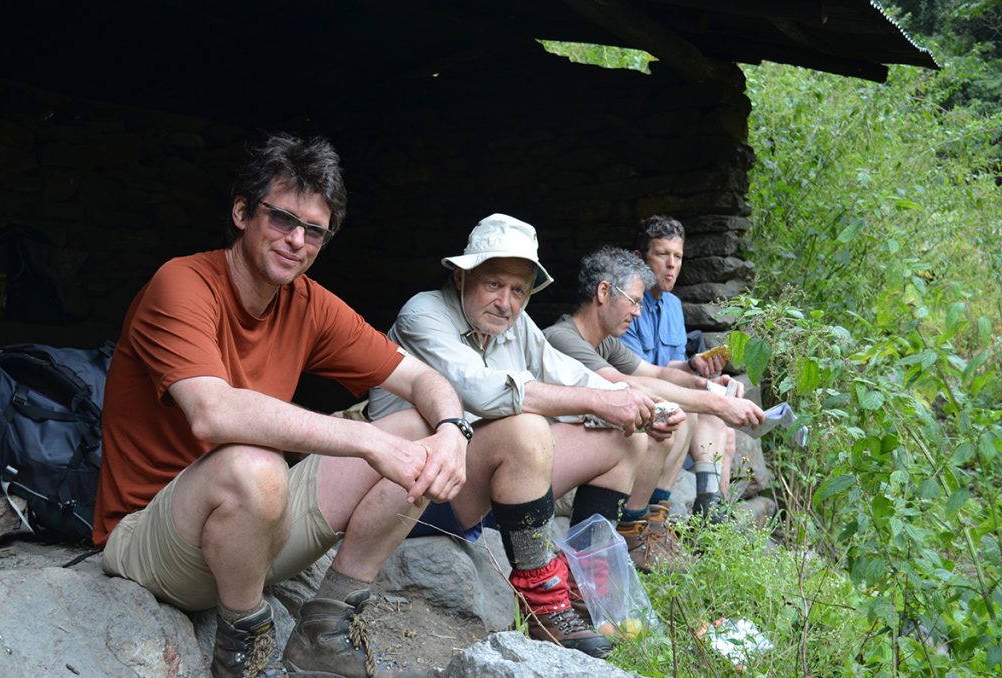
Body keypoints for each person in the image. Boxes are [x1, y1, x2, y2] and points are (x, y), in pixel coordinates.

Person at [93, 133, 470, 678]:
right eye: (282, 219)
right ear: (242, 212)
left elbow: (421, 378)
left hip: (247, 534)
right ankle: (245, 645)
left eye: (314, 230)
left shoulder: (308, 303)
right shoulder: (181, 284)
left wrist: (454, 431)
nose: (296, 240)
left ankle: (328, 622)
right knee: (255, 465)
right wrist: (367, 439)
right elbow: (213, 413)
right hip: (151, 537)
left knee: (416, 428)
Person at [367, 214, 684, 658]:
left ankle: (585, 588)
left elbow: (568, 372)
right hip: (410, 490)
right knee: (524, 427)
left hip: (478, 482)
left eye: (518, 290)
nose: (506, 302)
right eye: (493, 283)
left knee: (624, 438)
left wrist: (636, 405)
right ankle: (544, 602)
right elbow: (485, 392)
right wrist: (598, 403)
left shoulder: (516, 324)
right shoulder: (423, 313)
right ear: (461, 275)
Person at [545, 246, 765, 566]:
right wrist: (716, 405)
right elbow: (627, 385)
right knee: (656, 420)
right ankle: (630, 530)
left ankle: (649, 526)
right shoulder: (561, 338)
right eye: (634, 301)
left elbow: (658, 373)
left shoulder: (604, 342)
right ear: (604, 292)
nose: (638, 312)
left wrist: (706, 385)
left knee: (679, 412)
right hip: (562, 477)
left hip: (589, 467)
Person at [620, 214, 758, 520]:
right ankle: (703, 516)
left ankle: (712, 519)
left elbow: (670, 366)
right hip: (638, 401)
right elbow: (634, 372)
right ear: (639, 258)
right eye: (662, 254)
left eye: (678, 256)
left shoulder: (672, 306)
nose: (672, 265)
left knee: (724, 426)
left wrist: (696, 366)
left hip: (670, 397)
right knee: (704, 409)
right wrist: (697, 383)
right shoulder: (626, 305)